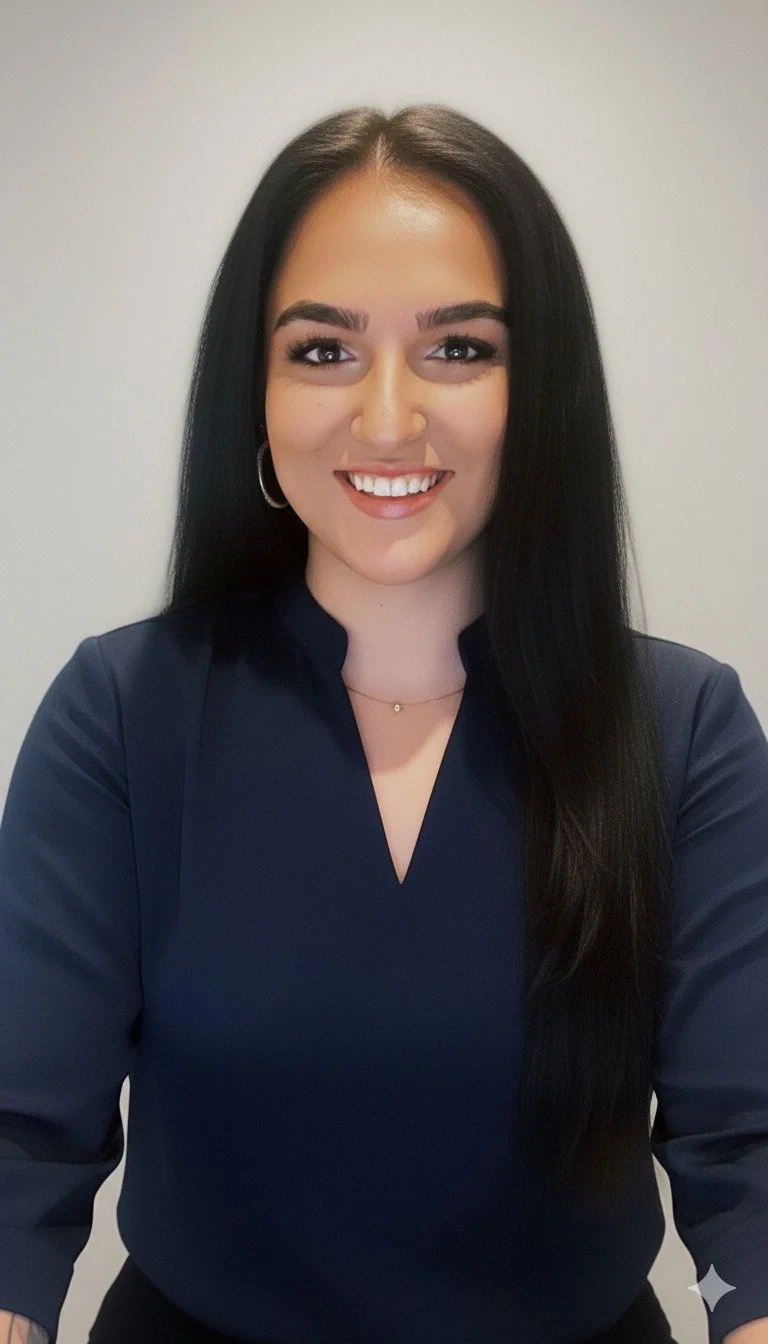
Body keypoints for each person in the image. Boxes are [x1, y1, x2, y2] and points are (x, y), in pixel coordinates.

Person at [0, 103, 766, 1344]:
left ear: (543, 385)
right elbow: (18, 1139)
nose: (392, 418)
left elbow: (753, 1147)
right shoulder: (125, 712)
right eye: (323, 351)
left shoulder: (681, 731)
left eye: (460, 348)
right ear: (254, 385)